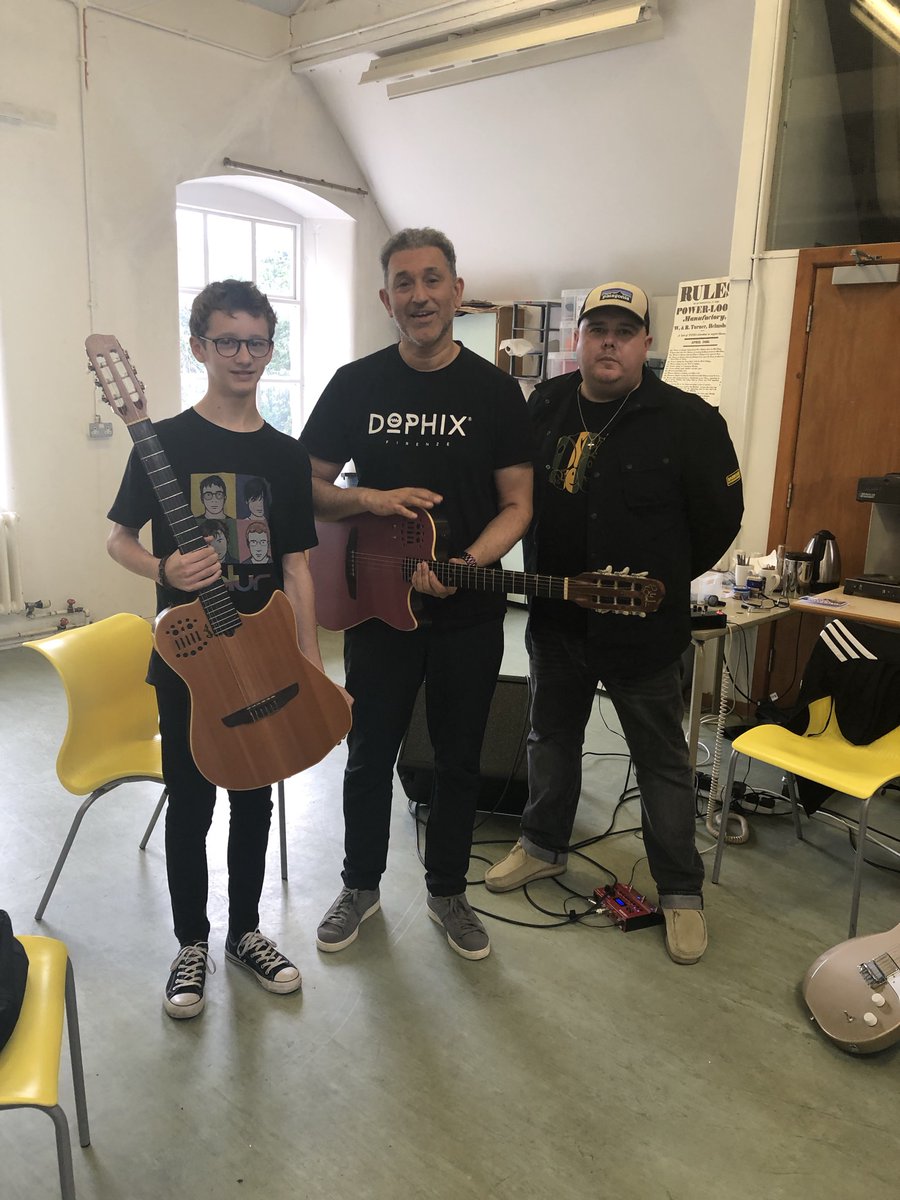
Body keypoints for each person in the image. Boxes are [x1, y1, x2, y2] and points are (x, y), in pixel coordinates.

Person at [484, 282, 744, 965]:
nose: (609, 341)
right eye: (597, 328)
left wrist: (659, 585)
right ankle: (541, 846)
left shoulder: (688, 420)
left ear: (645, 344)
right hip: (556, 623)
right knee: (549, 737)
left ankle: (681, 893)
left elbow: (720, 522)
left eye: (624, 331)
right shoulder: (543, 406)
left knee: (660, 760)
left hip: (643, 631)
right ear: (576, 337)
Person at [300, 227, 533, 961]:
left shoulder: (496, 393)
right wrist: (369, 498)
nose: (420, 295)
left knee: (461, 757)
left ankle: (448, 893)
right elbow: (306, 489)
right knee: (369, 752)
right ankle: (360, 886)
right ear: (386, 299)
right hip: (373, 604)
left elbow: (519, 505)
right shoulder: (356, 383)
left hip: (465, 609)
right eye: (404, 283)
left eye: (433, 280)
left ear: (457, 292)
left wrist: (462, 560)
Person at [107, 279, 323, 1017]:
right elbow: (119, 541)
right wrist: (162, 569)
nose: (242, 354)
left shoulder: (287, 458)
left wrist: (312, 663)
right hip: (187, 655)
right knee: (191, 800)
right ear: (198, 346)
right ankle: (190, 943)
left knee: (255, 799)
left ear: (271, 349)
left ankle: (246, 933)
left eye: (256, 341)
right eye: (226, 340)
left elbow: (295, 566)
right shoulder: (160, 440)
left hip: (262, 650)